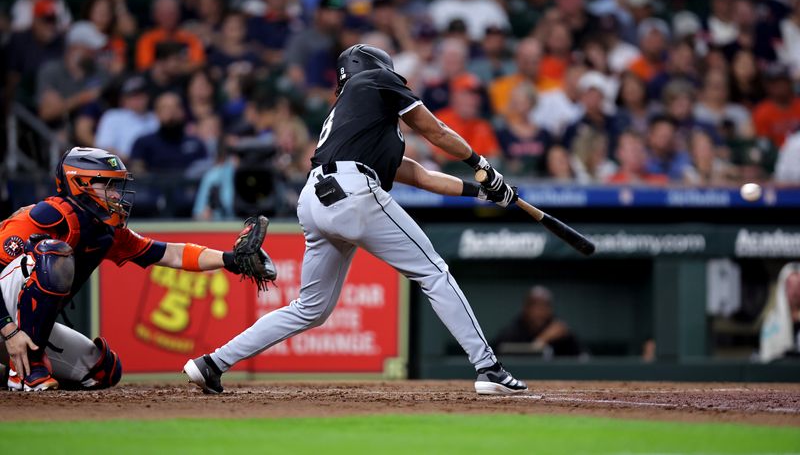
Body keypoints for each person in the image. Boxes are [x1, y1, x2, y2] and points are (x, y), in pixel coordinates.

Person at [184, 44, 528, 396]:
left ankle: (212, 363)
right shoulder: (375, 79)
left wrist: (483, 191)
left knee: (310, 308)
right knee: (433, 271)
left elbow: (420, 175)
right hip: (350, 190)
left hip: (315, 198)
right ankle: (488, 368)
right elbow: (435, 130)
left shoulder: (358, 117)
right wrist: (481, 164)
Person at [0, 147, 273, 391]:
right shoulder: (44, 217)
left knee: (103, 370)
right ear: (80, 183)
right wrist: (9, 332)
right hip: (6, 324)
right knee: (52, 254)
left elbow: (171, 254)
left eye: (117, 186)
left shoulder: (104, 231)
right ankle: (26, 372)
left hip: (24, 328)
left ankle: (9, 371)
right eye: (108, 185)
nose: (117, 195)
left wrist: (230, 260)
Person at [493, 286, 581, 357]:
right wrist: (542, 340)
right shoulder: (512, 332)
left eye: (545, 306)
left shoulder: (560, 332)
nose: (540, 312)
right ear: (526, 308)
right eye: (535, 306)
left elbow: (583, 358)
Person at [94, 76, 159, 161]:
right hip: (121, 166)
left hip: (153, 168)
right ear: (123, 99)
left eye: (141, 95)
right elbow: (104, 147)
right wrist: (130, 161)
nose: (138, 100)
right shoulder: (113, 116)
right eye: (133, 96)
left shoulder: (155, 118)